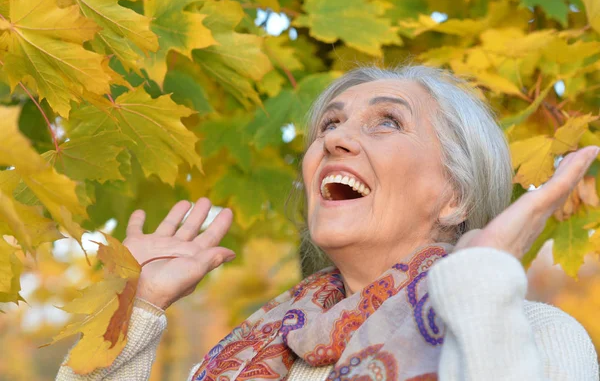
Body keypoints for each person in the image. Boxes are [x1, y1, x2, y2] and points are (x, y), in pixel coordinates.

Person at [56, 66, 599, 380]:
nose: (333, 138)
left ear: (455, 197)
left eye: (388, 122)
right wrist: (135, 308)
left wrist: (481, 293)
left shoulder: (538, 334)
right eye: (330, 124)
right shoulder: (249, 356)